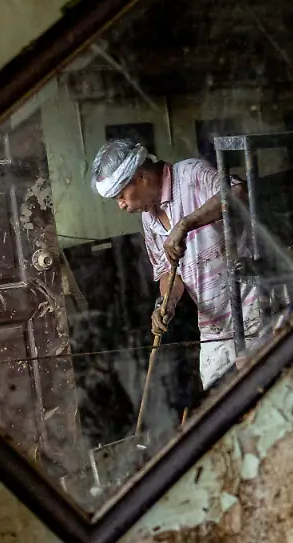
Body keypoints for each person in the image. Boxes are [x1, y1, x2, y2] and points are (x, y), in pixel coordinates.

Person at [90, 137, 264, 391]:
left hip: (252, 306)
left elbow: (238, 193)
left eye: (121, 196)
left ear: (141, 177)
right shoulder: (149, 220)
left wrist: (186, 223)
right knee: (216, 400)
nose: (122, 205)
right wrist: (167, 303)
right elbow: (168, 273)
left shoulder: (191, 174)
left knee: (257, 390)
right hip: (214, 326)